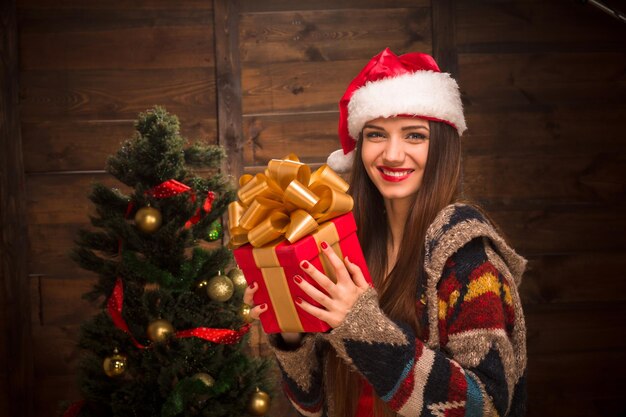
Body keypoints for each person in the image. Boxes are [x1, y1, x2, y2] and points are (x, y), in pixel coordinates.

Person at [243, 48, 527, 417]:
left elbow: (484, 409)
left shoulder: (469, 258)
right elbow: (312, 405)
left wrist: (362, 327)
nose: (392, 155)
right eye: (376, 134)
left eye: (414, 136)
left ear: (442, 147)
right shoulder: (346, 246)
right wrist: (291, 331)